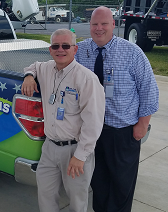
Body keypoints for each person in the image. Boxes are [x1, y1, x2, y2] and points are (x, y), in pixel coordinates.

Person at [75, 6, 159, 212]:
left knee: (122, 184)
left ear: (114, 25)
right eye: (95, 24)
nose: (99, 28)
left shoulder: (132, 52)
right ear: (90, 26)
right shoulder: (81, 50)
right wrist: (31, 74)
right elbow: (57, 64)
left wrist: (143, 124)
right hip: (92, 132)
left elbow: (148, 89)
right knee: (99, 181)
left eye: (104, 24)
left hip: (122, 131)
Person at [21, 29, 105, 212]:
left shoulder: (86, 79)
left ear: (75, 50)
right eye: (56, 46)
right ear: (50, 50)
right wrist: (28, 76)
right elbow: (33, 66)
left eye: (66, 46)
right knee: (45, 196)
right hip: (49, 148)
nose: (61, 49)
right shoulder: (45, 68)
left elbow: (94, 122)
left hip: (75, 150)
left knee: (77, 201)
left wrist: (80, 156)